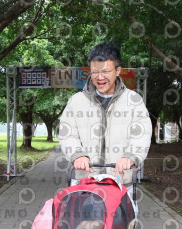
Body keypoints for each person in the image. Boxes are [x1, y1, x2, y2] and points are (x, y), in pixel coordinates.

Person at [59, 42, 152, 200]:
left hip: (121, 181)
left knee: (122, 217)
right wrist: (77, 155)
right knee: (80, 216)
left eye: (105, 71)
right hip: (84, 180)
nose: (100, 77)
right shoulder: (76, 101)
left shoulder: (134, 100)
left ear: (117, 71)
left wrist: (130, 156)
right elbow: (67, 133)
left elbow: (141, 133)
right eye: (95, 72)